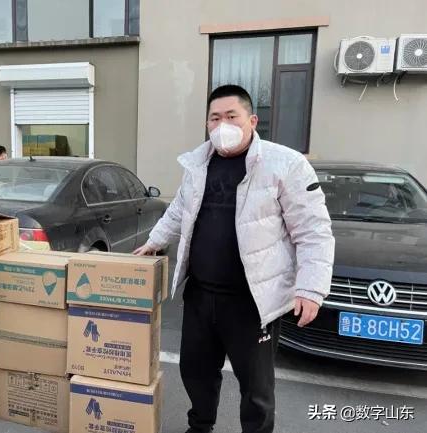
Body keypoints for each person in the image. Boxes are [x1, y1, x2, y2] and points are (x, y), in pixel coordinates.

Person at [134, 85, 335, 433]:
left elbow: (313, 230)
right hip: (200, 294)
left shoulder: (285, 164)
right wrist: (154, 242)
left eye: (231, 116)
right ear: (207, 124)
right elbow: (179, 210)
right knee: (196, 371)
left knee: (255, 386)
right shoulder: (197, 164)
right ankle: (200, 426)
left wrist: (311, 288)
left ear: (252, 120)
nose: (222, 124)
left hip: (252, 302)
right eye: (215, 118)